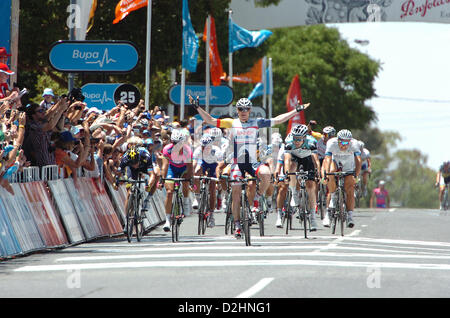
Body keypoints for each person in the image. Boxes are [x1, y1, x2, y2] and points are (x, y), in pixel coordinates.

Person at [192, 95, 310, 238]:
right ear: (237, 110)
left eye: (246, 109)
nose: (243, 111)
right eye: (241, 108)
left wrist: (295, 110)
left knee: (266, 173)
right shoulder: (231, 122)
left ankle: (257, 198)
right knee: (235, 192)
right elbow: (210, 120)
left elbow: (278, 119)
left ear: (250, 110)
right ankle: (236, 224)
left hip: (253, 162)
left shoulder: (257, 122)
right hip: (237, 162)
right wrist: (197, 107)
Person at [282, 124, 320, 230]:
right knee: (292, 167)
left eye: (299, 139)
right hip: (294, 158)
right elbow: (286, 160)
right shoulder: (289, 142)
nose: (296, 141)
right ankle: (294, 194)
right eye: (295, 138)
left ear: (304, 138)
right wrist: (286, 173)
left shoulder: (311, 142)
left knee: (310, 186)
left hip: (307, 158)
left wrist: (318, 173)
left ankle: (312, 218)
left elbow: (315, 160)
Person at [115, 136, 157, 232]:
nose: (134, 164)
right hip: (131, 170)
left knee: (157, 174)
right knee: (129, 192)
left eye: (135, 162)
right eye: (132, 162)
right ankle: (127, 221)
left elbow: (152, 175)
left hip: (143, 166)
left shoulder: (146, 155)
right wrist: (117, 181)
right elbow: (119, 173)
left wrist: (148, 185)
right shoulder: (125, 158)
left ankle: (147, 199)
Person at [322, 129, 361, 228]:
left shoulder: (354, 144)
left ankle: (350, 216)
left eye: (347, 142)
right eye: (342, 142)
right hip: (335, 162)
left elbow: (358, 161)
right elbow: (327, 159)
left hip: (349, 164)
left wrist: (356, 175)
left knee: (350, 189)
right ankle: (332, 199)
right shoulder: (331, 143)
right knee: (331, 172)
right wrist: (326, 174)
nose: (344, 145)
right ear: (337, 140)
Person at [159, 128, 193, 232]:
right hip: (172, 169)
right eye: (174, 143)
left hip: (184, 168)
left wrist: (190, 180)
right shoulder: (167, 149)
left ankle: (186, 202)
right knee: (169, 192)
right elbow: (164, 166)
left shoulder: (187, 151)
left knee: (186, 183)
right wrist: (162, 180)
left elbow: (190, 168)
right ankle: (168, 220)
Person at [192, 134, 223, 227]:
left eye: (206, 147)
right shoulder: (198, 150)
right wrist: (192, 176)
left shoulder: (217, 151)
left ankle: (212, 215)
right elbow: (194, 164)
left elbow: (220, 166)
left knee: (212, 189)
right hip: (203, 164)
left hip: (214, 165)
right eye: (203, 146)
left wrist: (218, 180)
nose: (204, 148)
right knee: (196, 172)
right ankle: (197, 197)